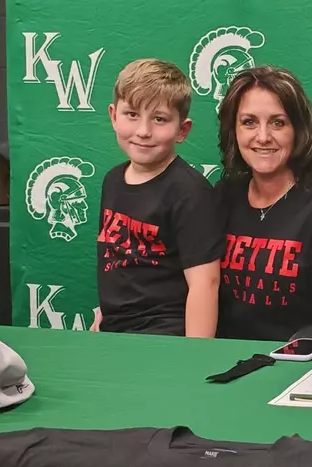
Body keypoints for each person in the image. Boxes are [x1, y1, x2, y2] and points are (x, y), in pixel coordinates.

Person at [215, 66, 312, 344]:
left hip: (293, 364)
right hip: (227, 364)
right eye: (249, 122)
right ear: (233, 130)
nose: (263, 136)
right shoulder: (223, 196)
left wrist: (311, 369)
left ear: (297, 131)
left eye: (278, 122)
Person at [92, 59, 223, 337]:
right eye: (132, 114)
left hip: (165, 333)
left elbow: (205, 284)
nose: (143, 131)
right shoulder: (112, 180)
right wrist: (104, 313)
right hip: (115, 330)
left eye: (159, 119)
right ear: (113, 115)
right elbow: (116, 259)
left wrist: (195, 356)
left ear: (182, 130)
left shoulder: (189, 192)